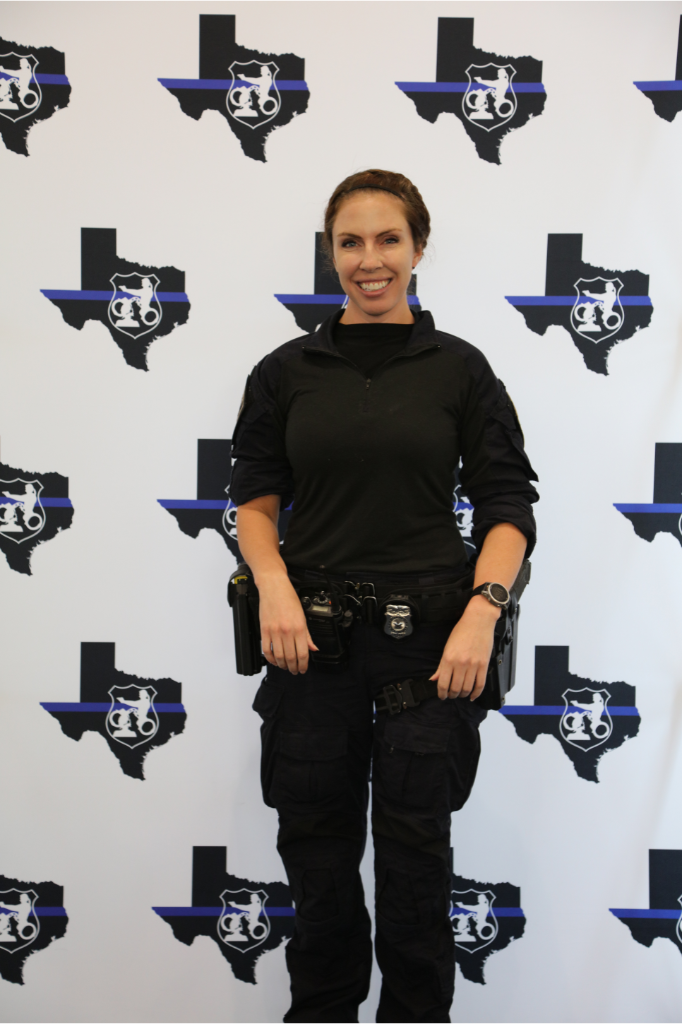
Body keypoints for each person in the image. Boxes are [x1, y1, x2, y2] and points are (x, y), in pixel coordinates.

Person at [230, 169, 538, 1023]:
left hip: (432, 649)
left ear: (418, 247)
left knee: (415, 880)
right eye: (350, 242)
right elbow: (254, 501)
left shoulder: (461, 370)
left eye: (388, 240)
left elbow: (509, 507)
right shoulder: (285, 371)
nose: (370, 260)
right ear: (332, 253)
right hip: (309, 643)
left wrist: (486, 609)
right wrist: (275, 588)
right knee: (320, 880)